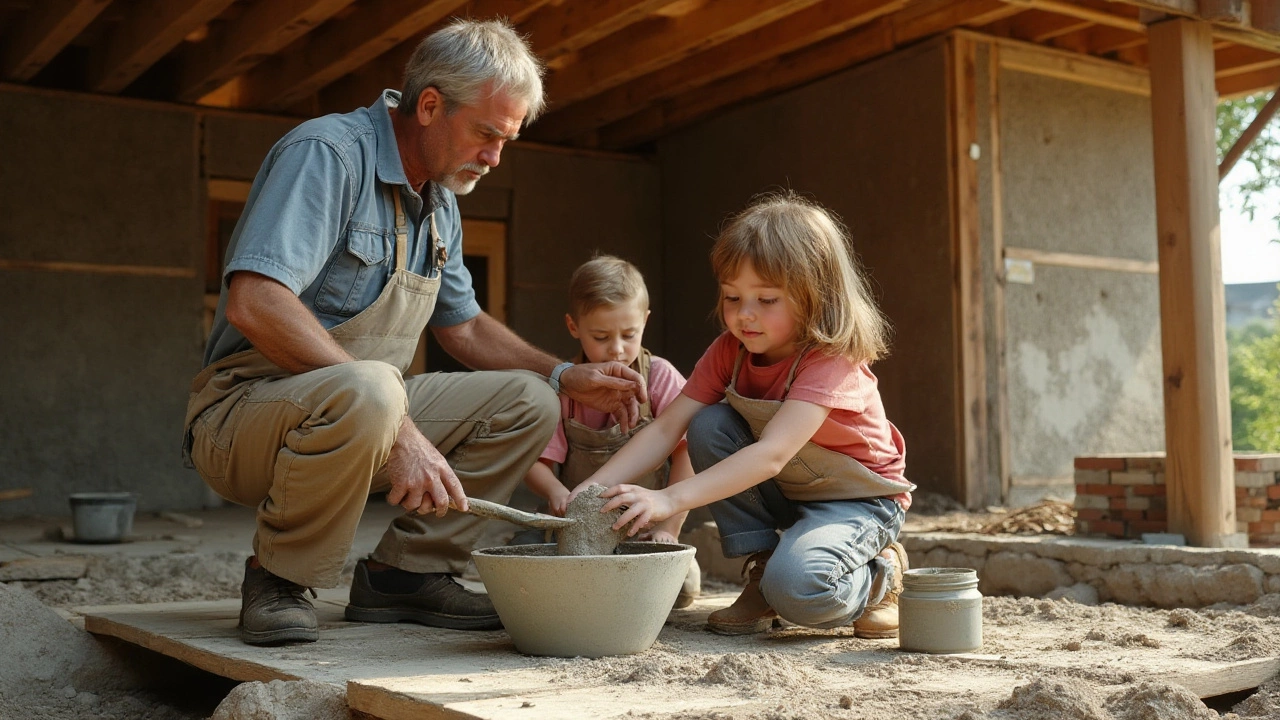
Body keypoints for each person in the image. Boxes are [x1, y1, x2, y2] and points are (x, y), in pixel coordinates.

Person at [183, 19, 647, 647]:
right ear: (429, 105)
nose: (494, 157)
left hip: (364, 411)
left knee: (529, 400)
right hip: (243, 416)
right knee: (375, 391)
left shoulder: (440, 202)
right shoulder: (328, 155)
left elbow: (464, 326)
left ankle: (406, 574)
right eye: (486, 133)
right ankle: (278, 577)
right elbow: (255, 302)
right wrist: (400, 430)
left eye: (506, 139)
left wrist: (566, 376)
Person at [571, 192, 915, 637]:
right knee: (708, 424)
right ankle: (764, 571)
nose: (743, 315)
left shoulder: (832, 359)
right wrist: (589, 492)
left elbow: (771, 454)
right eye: (732, 296)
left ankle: (880, 575)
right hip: (788, 493)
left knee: (802, 592)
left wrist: (669, 499)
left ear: (815, 296)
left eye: (766, 299)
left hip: (858, 502)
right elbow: (666, 428)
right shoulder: (728, 352)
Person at [516, 255, 701, 606]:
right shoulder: (564, 388)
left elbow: (687, 455)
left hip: (644, 533)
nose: (617, 348)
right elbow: (533, 461)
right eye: (600, 336)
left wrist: (668, 530)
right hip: (575, 530)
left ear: (645, 322)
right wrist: (556, 493)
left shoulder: (659, 377)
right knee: (534, 576)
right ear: (574, 326)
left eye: (629, 334)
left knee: (682, 591)